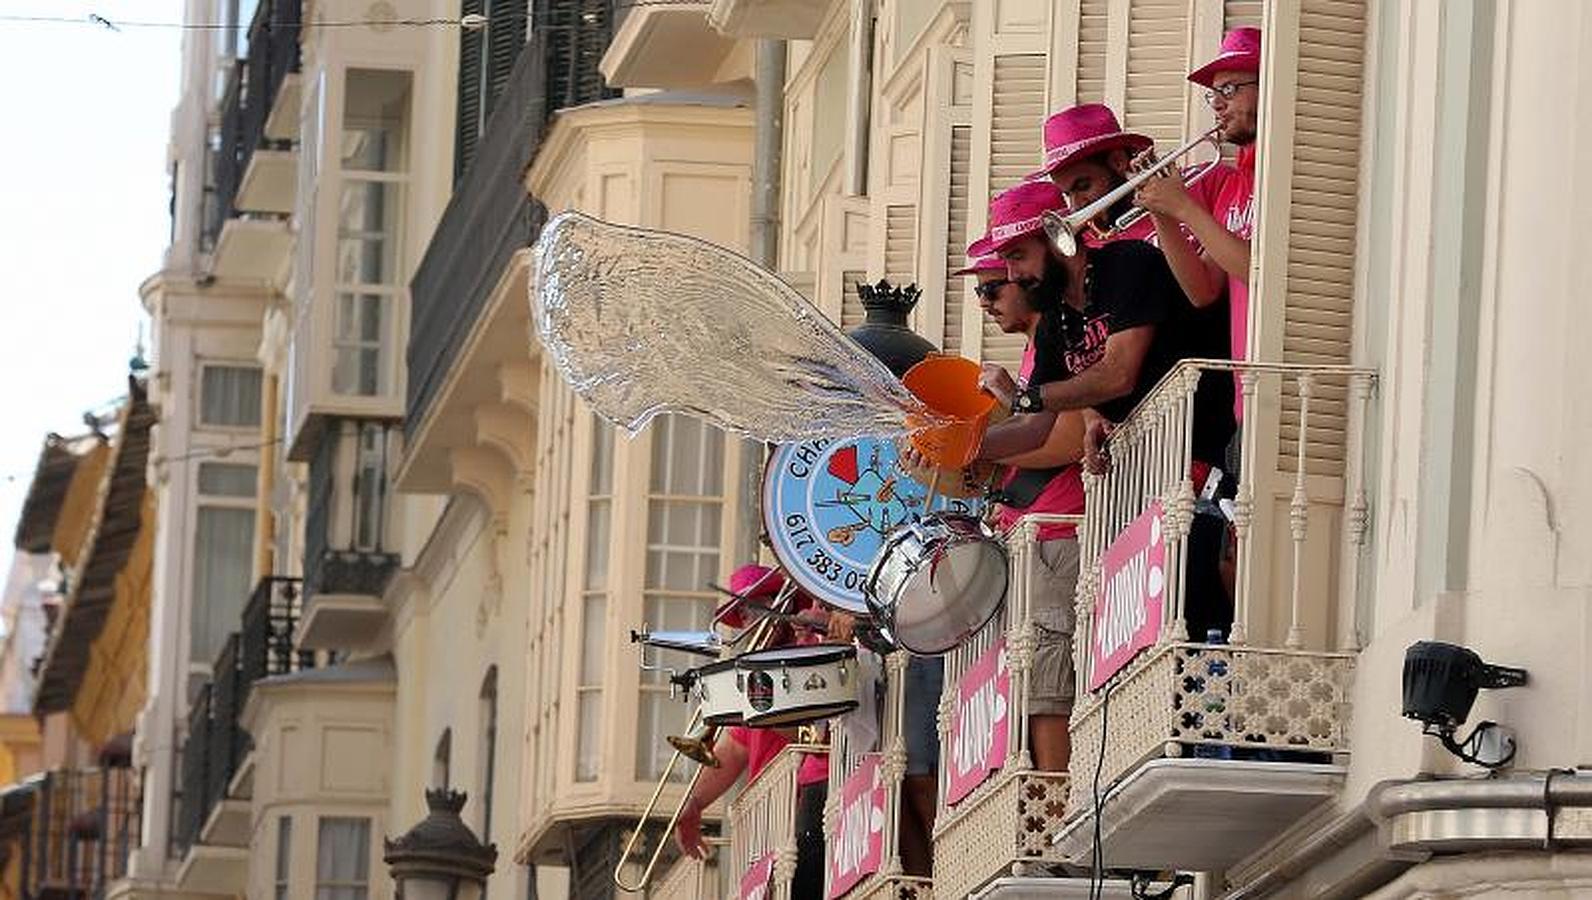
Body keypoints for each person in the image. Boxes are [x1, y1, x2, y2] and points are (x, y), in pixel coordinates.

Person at [977, 181, 1235, 640]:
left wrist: (1024, 398)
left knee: (1201, 618)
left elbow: (1118, 374)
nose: (1012, 275)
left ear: (1056, 238)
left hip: (1206, 463)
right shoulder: (1057, 316)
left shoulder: (1127, 264)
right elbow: (1035, 430)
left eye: (1018, 256)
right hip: (1151, 482)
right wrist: (963, 447)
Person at [956, 249, 1085, 772]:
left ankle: (1054, 807)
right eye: (981, 291)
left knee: (1046, 691)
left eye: (994, 288)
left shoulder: (1056, 338)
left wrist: (971, 446)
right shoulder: (1037, 351)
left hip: (1053, 530)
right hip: (1030, 532)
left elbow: (1068, 439)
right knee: (1029, 687)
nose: (986, 302)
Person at [1134, 26, 1262, 432]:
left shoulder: (1278, 172)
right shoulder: (1235, 184)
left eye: (1230, 89)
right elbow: (1202, 290)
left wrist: (1186, 207)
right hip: (1247, 399)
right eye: (1214, 95)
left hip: (1282, 383)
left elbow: (1259, 270)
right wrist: (1162, 211)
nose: (1218, 105)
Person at [675, 564, 830, 896]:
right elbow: (733, 750)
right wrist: (694, 803)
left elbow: (809, 734)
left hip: (804, 806)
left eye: (754, 608)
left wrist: (760, 703)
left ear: (781, 605)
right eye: (743, 613)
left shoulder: (803, 655)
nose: (747, 621)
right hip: (768, 824)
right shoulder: (756, 670)